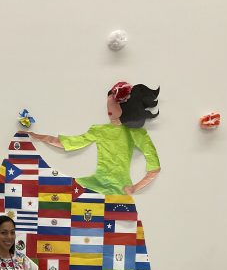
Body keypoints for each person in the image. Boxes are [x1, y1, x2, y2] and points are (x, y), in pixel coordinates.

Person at [27, 81, 161, 195]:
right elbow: (72, 143)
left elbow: (154, 167)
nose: (109, 109)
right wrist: (41, 137)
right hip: (97, 183)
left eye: (113, 103)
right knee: (62, 189)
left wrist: (135, 188)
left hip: (119, 189)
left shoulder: (135, 133)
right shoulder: (99, 130)